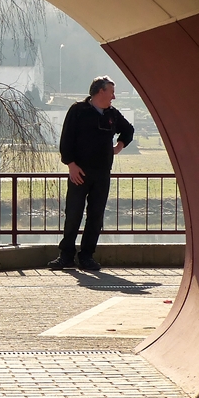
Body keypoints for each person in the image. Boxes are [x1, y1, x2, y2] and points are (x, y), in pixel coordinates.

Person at [48, 76, 134, 272]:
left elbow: (128, 130)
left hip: (102, 172)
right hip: (80, 171)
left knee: (96, 216)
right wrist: (71, 164)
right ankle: (66, 256)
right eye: (111, 92)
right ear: (100, 91)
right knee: (73, 213)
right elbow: (66, 139)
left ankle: (87, 256)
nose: (113, 96)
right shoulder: (78, 111)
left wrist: (119, 146)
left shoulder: (112, 114)